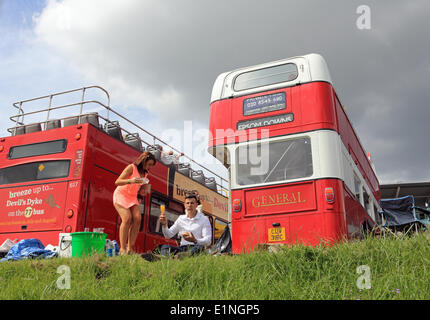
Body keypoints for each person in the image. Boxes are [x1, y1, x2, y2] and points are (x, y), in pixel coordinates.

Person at [113, 151, 156, 255]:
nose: (150, 167)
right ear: (143, 161)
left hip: (132, 197)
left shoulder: (146, 173)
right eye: (149, 164)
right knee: (127, 218)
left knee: (137, 219)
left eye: (152, 165)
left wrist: (144, 190)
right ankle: (122, 249)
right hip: (121, 194)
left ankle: (130, 248)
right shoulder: (131, 167)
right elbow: (117, 181)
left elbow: (140, 188)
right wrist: (131, 181)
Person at [159, 193, 211, 257]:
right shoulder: (181, 218)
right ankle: (164, 258)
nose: (189, 205)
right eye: (187, 203)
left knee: (199, 248)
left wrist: (195, 240)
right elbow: (168, 235)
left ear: (196, 205)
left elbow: (208, 240)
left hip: (195, 246)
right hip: (182, 248)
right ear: (185, 205)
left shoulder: (204, 219)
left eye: (192, 203)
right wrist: (164, 225)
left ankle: (181, 256)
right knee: (165, 247)